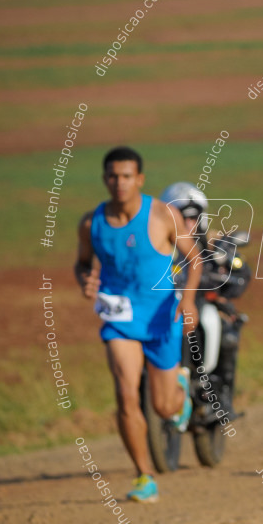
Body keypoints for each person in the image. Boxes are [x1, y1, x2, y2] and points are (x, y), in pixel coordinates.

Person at [75, 147, 203, 502]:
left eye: (127, 176)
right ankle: (144, 477)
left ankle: (180, 389)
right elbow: (83, 263)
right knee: (125, 394)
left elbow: (194, 260)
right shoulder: (92, 223)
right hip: (119, 320)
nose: (119, 183)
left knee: (164, 407)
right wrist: (85, 279)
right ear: (105, 179)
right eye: (113, 176)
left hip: (162, 318)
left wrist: (189, 300)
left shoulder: (163, 215)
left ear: (140, 180)